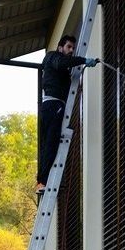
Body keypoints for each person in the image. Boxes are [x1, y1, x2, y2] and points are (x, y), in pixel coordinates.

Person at [36, 35, 99, 192]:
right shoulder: (54, 57)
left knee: (48, 144)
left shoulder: (57, 64)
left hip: (50, 105)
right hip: (54, 104)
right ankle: (43, 181)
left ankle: (41, 181)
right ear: (60, 47)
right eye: (69, 47)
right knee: (51, 143)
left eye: (72, 47)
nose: (71, 50)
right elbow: (63, 62)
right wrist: (84, 60)